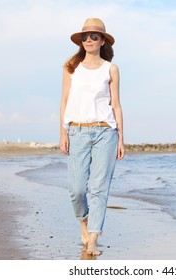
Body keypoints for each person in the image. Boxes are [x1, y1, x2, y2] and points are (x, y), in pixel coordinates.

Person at [59, 18, 125, 256]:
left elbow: (116, 105)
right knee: (76, 189)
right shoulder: (71, 67)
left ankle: (94, 237)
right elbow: (65, 101)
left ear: (102, 40)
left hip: (105, 132)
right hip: (76, 131)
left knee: (99, 188)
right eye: (85, 36)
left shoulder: (111, 69)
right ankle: (84, 222)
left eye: (94, 36)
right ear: (81, 41)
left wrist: (120, 139)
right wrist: (63, 133)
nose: (88, 40)